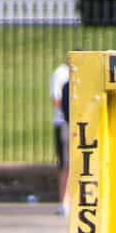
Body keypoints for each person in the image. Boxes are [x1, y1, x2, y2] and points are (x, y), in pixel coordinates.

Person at [48, 60, 69, 215]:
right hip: (64, 123)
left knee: (67, 165)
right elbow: (56, 101)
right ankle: (64, 201)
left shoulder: (67, 80)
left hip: (66, 123)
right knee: (66, 165)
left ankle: (66, 202)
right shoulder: (61, 74)